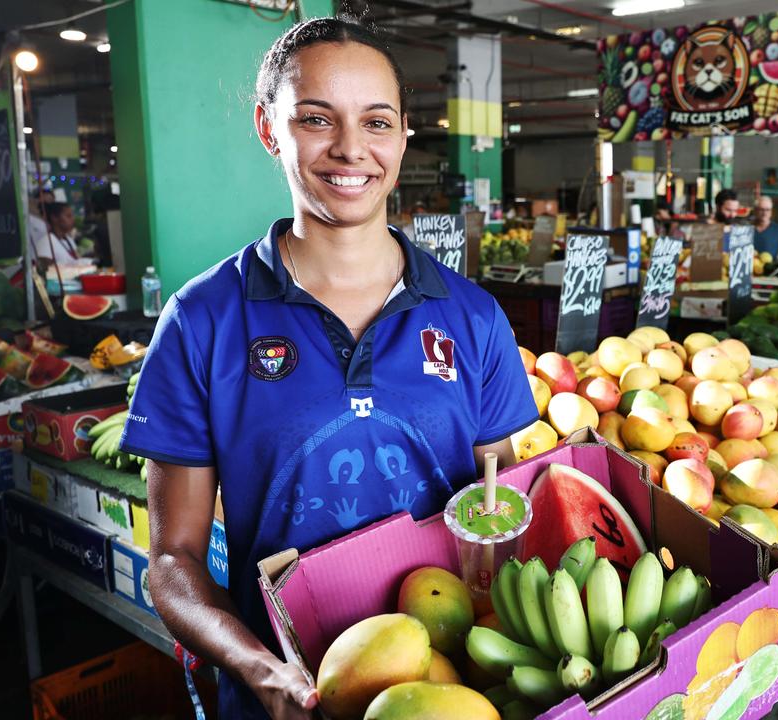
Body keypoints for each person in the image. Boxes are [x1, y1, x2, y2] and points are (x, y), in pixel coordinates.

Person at [118, 14, 538, 720]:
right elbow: (174, 562)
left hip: (451, 695)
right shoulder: (204, 321)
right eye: (317, 118)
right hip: (281, 694)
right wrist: (258, 667)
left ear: (405, 133)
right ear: (269, 128)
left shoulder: (473, 318)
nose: (350, 149)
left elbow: (491, 518)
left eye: (377, 122)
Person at [34, 202, 82, 266]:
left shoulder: (68, 239)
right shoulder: (46, 243)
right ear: (54, 218)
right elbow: (46, 271)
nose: (73, 219)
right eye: (68, 216)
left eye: (72, 215)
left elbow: (78, 260)